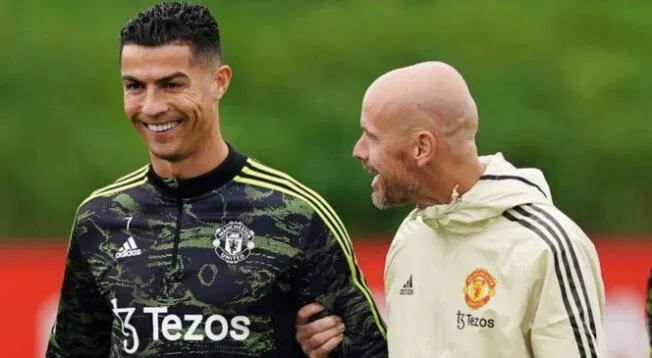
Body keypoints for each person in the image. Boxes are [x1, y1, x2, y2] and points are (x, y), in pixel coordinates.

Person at [46, 2, 387, 357]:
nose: (150, 106)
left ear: (219, 82)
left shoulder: (295, 215)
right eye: (134, 86)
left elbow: (369, 350)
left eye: (171, 85)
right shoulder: (100, 219)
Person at [296, 61, 607, 357]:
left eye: (372, 137)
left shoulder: (546, 247)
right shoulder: (412, 235)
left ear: (422, 148)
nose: (358, 151)